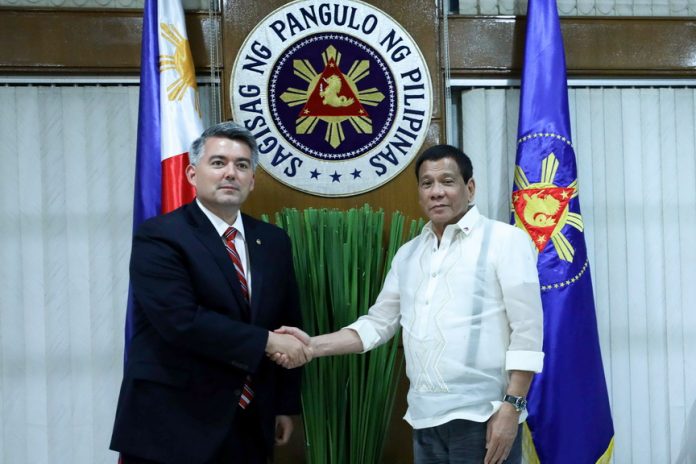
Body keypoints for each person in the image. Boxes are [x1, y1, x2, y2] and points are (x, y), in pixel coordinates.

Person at [275, 144, 544, 464]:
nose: (437, 192)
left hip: (482, 417)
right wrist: (311, 346)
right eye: (427, 183)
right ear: (419, 192)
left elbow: (527, 330)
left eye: (447, 181)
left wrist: (512, 408)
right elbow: (377, 325)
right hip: (423, 418)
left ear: (469, 188)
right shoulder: (409, 254)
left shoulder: (505, 241)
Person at [110, 121, 309, 464]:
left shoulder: (274, 241)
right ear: (191, 174)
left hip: (249, 420)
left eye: (241, 165)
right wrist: (266, 342)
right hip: (173, 423)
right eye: (218, 163)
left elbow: (287, 321)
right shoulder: (160, 236)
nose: (230, 173)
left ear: (252, 180)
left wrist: (284, 405)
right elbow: (180, 321)